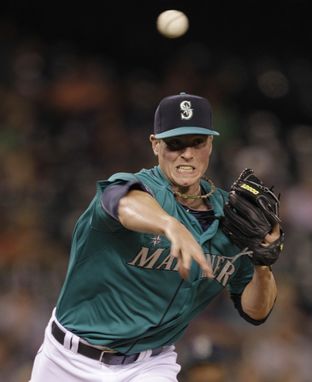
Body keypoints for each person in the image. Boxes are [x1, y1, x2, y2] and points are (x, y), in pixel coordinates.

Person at [29, 92, 280, 382]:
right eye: (175, 143)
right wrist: (170, 226)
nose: (187, 153)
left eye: (197, 142)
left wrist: (264, 265)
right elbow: (122, 203)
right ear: (155, 145)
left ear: (210, 144)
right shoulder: (136, 189)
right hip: (67, 360)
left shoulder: (233, 220)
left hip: (148, 366)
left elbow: (255, 312)